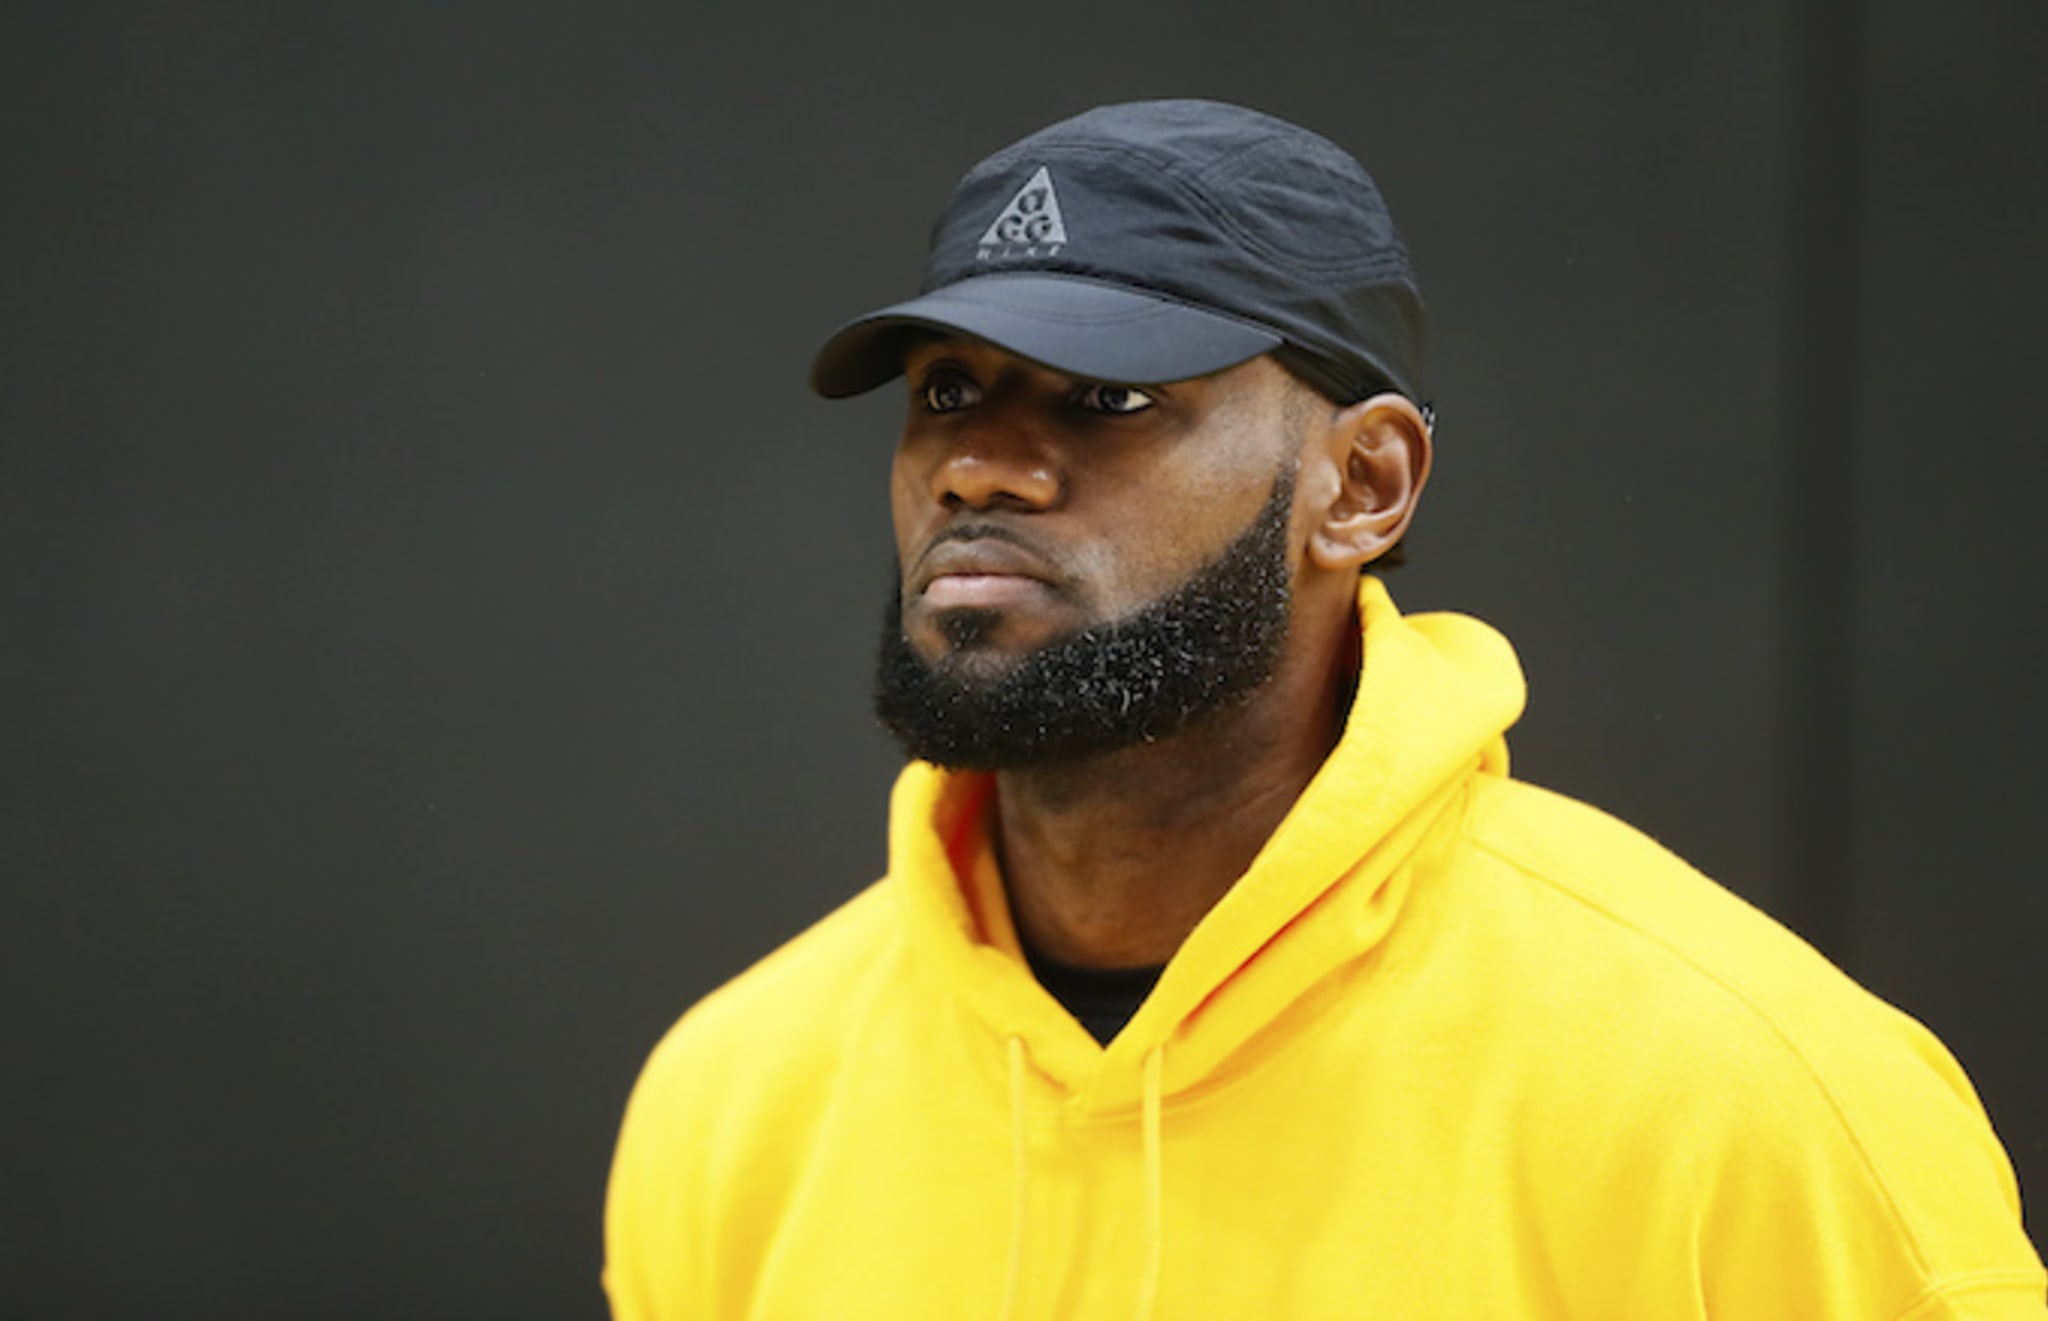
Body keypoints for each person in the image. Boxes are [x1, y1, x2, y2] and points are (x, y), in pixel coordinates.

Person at [603, 99, 2044, 1319]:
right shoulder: (735, 1097)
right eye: (950, 387)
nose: (980, 466)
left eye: (1107, 395)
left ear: (1363, 485)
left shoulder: (1741, 1096)